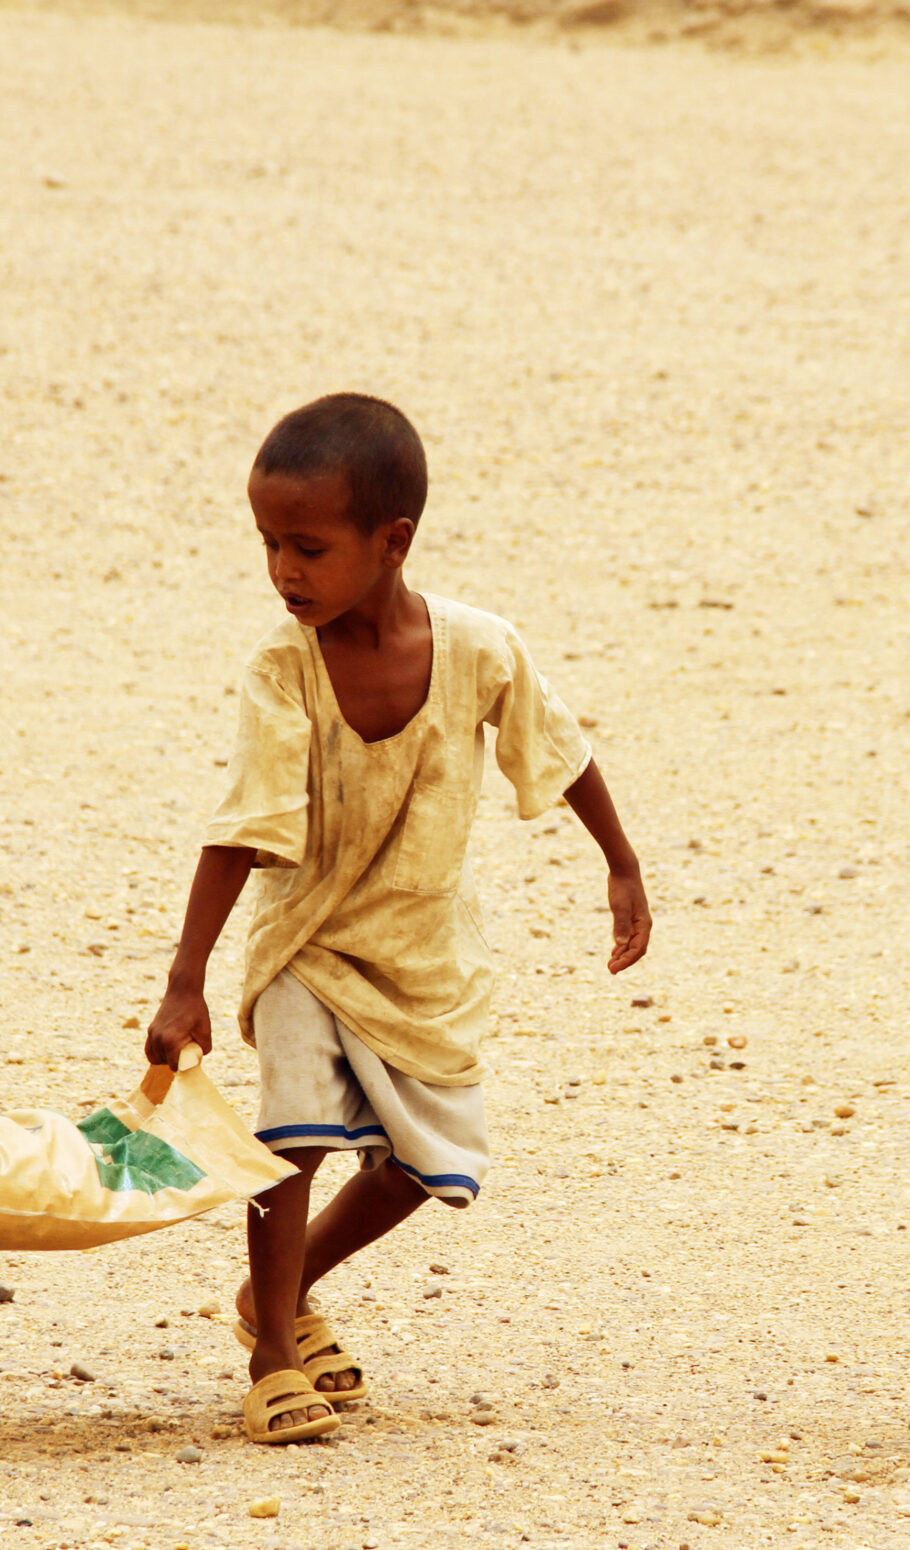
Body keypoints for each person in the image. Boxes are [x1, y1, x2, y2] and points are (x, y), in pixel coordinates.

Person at [143, 393, 651, 1446]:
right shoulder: (283, 670)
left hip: (421, 951)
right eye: (269, 545)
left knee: (430, 1163)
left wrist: (621, 863)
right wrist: (186, 976)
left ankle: (274, 1297)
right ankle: (274, 1357)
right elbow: (241, 827)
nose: (283, 570)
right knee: (290, 1140)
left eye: (308, 548)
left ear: (392, 541)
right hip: (304, 944)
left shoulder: (478, 649)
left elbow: (559, 749)